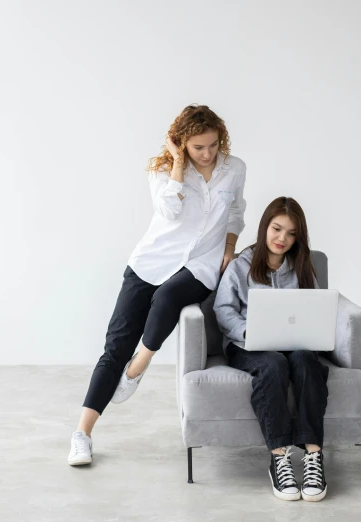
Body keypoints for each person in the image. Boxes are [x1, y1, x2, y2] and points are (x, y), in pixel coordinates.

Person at [68, 105, 247, 466]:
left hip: (200, 265)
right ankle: (82, 434)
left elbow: (236, 212)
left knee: (167, 298)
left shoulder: (235, 169)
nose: (208, 153)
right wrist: (179, 165)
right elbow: (168, 212)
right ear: (182, 144)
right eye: (198, 147)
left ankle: (138, 367)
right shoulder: (163, 169)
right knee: (115, 346)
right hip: (152, 261)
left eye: (213, 145)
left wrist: (228, 248)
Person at [213, 196, 328, 502]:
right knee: (273, 365)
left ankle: (314, 455)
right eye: (277, 229)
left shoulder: (303, 268)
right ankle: (279, 457)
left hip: (295, 344)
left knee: (306, 361)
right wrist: (247, 331)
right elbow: (223, 310)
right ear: (265, 227)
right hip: (249, 345)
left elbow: (314, 308)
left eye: (291, 234)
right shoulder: (241, 266)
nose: (282, 239)